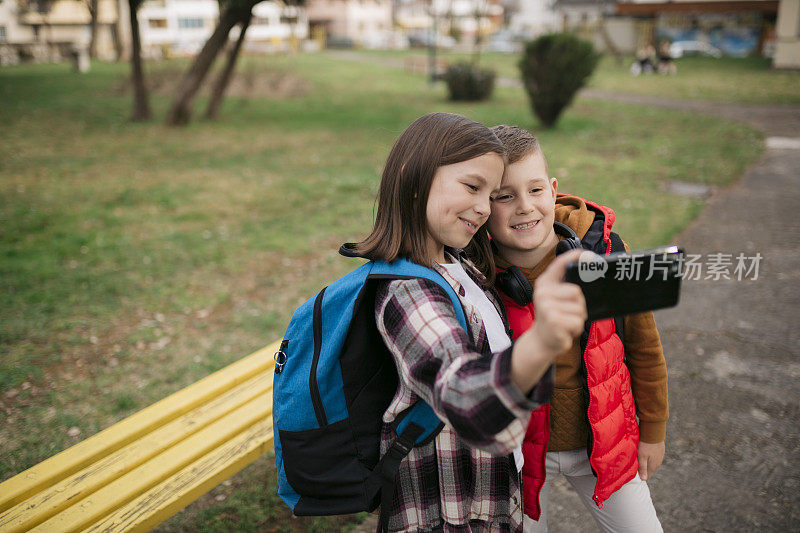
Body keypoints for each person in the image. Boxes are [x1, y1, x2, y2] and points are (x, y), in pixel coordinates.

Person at [353, 112, 588, 532]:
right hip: (449, 513)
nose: (483, 208)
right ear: (414, 179)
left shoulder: (458, 262)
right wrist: (544, 340)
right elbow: (463, 394)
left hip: (490, 498)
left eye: (489, 193)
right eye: (472, 187)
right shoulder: (407, 292)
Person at [486, 125, 668, 532]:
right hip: (519, 455)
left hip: (605, 443)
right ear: (484, 205)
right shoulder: (477, 278)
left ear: (553, 190)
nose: (524, 206)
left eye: (535, 190)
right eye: (504, 196)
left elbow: (646, 348)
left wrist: (653, 431)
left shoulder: (605, 251)